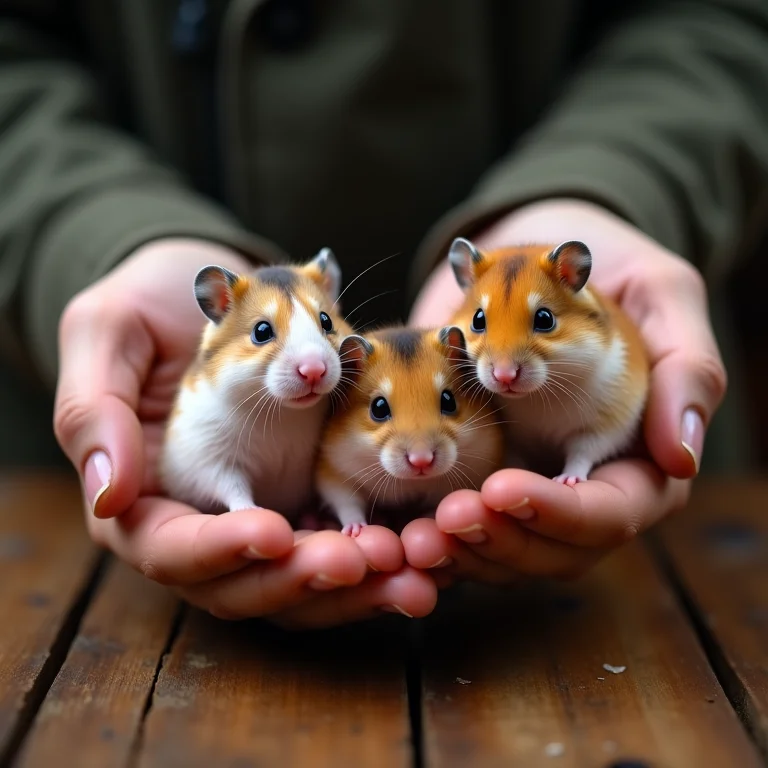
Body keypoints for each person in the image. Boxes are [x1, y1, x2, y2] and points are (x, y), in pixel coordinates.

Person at [0, 1, 764, 628]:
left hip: (675, 572)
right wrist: (92, 237)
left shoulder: (470, 377)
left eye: (328, 334)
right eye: (267, 335)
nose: (311, 362)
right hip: (49, 536)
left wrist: (614, 186)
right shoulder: (289, 391)